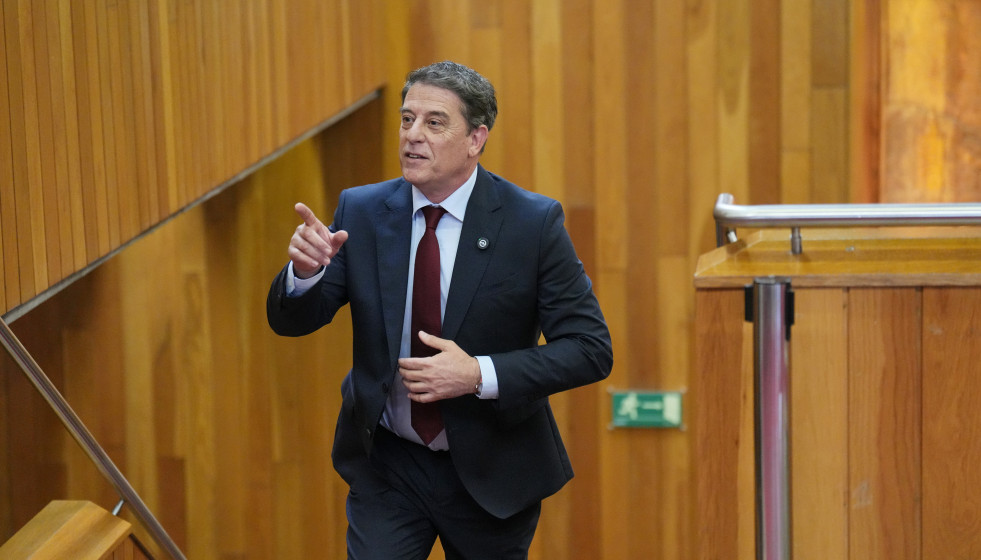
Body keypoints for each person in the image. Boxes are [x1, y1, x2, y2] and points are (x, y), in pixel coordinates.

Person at [266, 60, 613, 560]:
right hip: (388, 462)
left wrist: (477, 374)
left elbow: (589, 349)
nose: (413, 136)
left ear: (476, 139)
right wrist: (304, 275)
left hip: (492, 471)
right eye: (407, 119)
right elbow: (294, 322)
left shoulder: (531, 224)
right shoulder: (361, 211)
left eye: (434, 123)